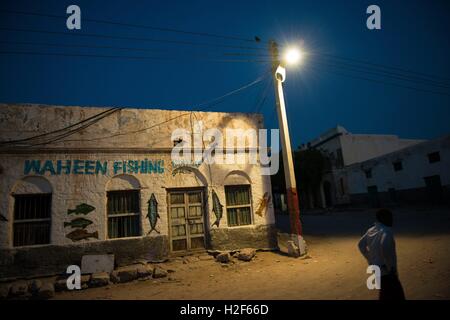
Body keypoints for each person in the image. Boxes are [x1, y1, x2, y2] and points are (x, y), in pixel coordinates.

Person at [358, 208, 405, 300]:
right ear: (384, 219)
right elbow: (384, 245)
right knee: (396, 294)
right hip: (387, 271)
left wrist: (370, 260)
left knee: (384, 292)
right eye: (390, 218)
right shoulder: (386, 231)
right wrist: (389, 268)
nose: (392, 220)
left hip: (376, 267)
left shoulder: (371, 230)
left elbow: (360, 245)